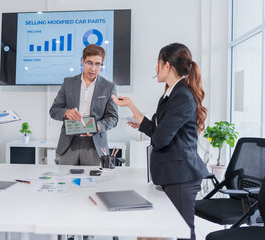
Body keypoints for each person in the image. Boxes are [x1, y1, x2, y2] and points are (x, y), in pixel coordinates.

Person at [112, 43, 208, 240]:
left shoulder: (181, 96)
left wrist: (153, 131)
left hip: (182, 175)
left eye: (157, 63)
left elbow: (160, 138)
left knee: (183, 232)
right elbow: (159, 132)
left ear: (167, 66)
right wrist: (132, 106)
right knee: (158, 230)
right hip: (171, 174)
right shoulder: (171, 94)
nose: (155, 68)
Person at [50, 44, 118, 166]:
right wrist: (66, 113)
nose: (93, 68)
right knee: (65, 182)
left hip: (95, 144)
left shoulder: (109, 87)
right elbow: (54, 110)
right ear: (82, 61)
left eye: (98, 64)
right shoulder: (68, 83)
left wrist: (98, 126)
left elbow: (113, 118)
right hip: (69, 143)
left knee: (93, 183)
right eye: (89, 63)